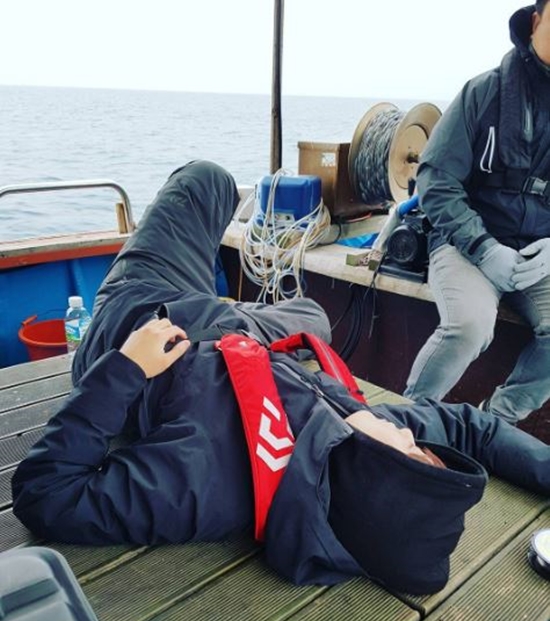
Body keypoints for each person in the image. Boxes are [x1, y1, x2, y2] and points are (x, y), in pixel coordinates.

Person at [11, 161, 550, 597]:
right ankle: (232, 310)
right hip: (235, 332)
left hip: (139, 320)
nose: (412, 434)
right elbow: (471, 428)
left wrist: (125, 368)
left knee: (208, 180)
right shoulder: (354, 438)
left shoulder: (204, 482)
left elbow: (47, 494)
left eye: (413, 451)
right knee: (314, 316)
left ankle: (212, 307)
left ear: (374, 473)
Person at [404, 2, 550, 425]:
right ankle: (409, 419)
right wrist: (485, 248)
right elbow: (436, 181)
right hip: (467, 245)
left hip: (536, 255)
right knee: (469, 326)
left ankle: (495, 422)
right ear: (536, 21)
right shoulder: (483, 92)